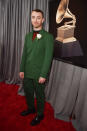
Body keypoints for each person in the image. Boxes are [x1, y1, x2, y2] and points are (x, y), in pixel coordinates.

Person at [19, 9, 54, 126]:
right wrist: (21, 69)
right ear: (31, 19)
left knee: (39, 95)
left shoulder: (48, 37)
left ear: (43, 20)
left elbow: (48, 58)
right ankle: (31, 108)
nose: (35, 20)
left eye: (38, 17)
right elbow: (24, 54)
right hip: (27, 71)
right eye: (33, 17)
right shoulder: (28, 36)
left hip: (39, 73)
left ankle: (40, 114)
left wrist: (43, 74)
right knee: (28, 92)